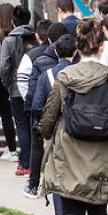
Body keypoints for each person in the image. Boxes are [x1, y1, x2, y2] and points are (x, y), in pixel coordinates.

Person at [39, 19, 108, 215]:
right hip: (102, 156)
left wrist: (45, 135)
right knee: (98, 211)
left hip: (70, 156)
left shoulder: (65, 76)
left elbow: (48, 118)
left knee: (71, 211)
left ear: (78, 47)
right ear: (102, 47)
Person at [24, 22, 69, 198]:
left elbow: (33, 93)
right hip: (66, 117)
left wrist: (36, 116)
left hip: (44, 113)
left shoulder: (39, 61)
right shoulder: (75, 64)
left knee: (37, 149)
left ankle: (34, 185)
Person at [0, 5, 38, 177]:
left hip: (16, 89)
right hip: (35, 87)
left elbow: (4, 66)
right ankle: (34, 161)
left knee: (21, 125)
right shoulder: (36, 38)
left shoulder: (9, 40)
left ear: (13, 21)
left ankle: (25, 163)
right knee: (33, 126)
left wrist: (8, 83)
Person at [0, 3, 20, 163]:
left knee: (6, 115)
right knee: (17, 116)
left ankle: (11, 148)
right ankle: (14, 147)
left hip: (3, 77)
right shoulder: (17, 34)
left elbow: (3, 62)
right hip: (17, 77)